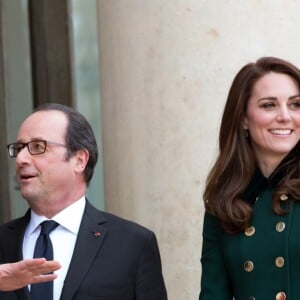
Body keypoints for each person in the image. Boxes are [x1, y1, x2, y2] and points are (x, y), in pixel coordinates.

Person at [0, 103, 167, 300]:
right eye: (19, 148)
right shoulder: (3, 240)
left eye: (37, 146)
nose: (21, 159)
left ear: (79, 160)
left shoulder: (133, 243)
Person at [199, 56, 300, 300]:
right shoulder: (224, 200)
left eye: (295, 105)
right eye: (269, 105)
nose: (285, 116)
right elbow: (214, 294)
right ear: (244, 118)